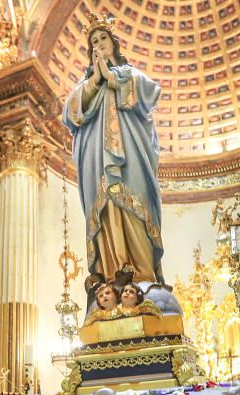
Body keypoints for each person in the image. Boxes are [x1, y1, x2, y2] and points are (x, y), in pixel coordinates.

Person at [62, 12, 164, 286]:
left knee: (135, 205)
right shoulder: (85, 85)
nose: (99, 43)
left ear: (114, 42)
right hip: (96, 158)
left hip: (130, 154)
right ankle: (110, 278)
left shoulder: (131, 75)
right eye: (93, 41)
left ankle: (143, 278)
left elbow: (151, 93)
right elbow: (70, 115)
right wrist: (96, 80)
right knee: (105, 206)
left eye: (103, 38)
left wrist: (112, 78)